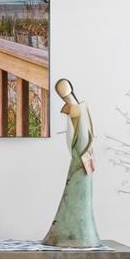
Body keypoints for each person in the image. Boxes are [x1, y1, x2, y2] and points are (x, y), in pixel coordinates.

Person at [45, 76, 101, 248]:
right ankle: (72, 233)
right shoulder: (75, 108)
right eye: (60, 90)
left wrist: (82, 153)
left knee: (79, 195)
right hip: (80, 157)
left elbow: (83, 136)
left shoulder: (78, 108)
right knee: (76, 195)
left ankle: (80, 234)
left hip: (81, 158)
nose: (63, 91)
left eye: (65, 87)